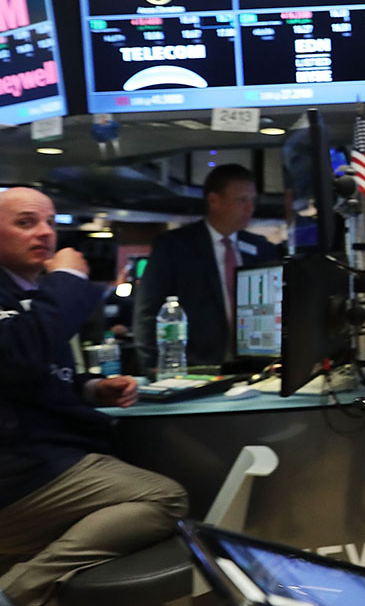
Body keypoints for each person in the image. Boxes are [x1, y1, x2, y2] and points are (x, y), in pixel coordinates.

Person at [0, 188, 188, 606]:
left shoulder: (29, 292)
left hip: (35, 460)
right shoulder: (36, 291)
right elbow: (18, 358)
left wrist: (89, 387)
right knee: (164, 496)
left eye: (50, 222)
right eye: (26, 222)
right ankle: (15, 592)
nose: (45, 233)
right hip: (19, 471)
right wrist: (67, 280)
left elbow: (32, 374)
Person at [133, 164, 278, 373]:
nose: (250, 208)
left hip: (254, 367)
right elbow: (148, 311)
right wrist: (153, 364)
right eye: (241, 200)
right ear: (214, 200)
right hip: (196, 367)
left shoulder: (261, 247)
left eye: (252, 200)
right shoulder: (175, 246)